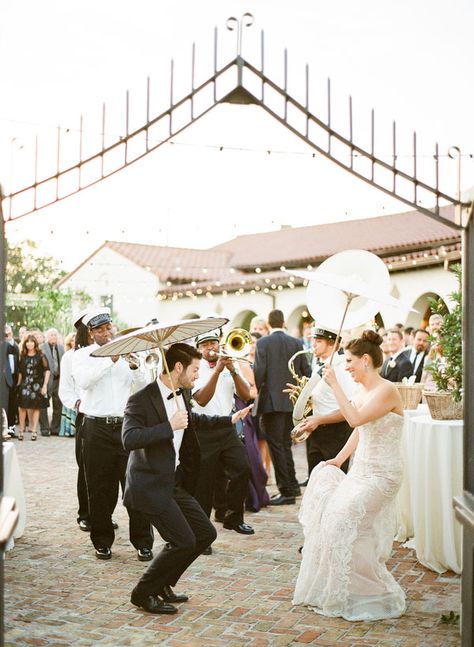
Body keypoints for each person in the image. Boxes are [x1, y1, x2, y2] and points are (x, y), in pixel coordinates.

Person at [122, 342, 252, 615]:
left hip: (174, 482)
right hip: (149, 484)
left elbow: (194, 421)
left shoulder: (182, 392)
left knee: (205, 533)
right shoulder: (141, 399)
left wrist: (228, 420)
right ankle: (143, 593)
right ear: (178, 367)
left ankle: (164, 584)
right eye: (194, 369)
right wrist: (167, 427)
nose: (197, 374)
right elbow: (129, 439)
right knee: (182, 541)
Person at [293, 330, 406, 621]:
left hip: (383, 474)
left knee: (349, 520)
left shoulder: (387, 390)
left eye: (350, 362)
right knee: (338, 520)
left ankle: (373, 589)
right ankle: (358, 591)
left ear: (366, 360)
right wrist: (339, 459)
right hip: (361, 470)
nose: (347, 367)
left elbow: (353, 418)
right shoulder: (361, 390)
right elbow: (360, 429)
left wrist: (334, 384)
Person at [72, 307, 153, 561]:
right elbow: (84, 382)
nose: (107, 333)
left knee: (135, 485)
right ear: (91, 333)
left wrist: (134, 365)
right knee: (99, 488)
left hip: (125, 426)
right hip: (95, 428)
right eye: (101, 330)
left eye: (109, 328)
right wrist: (112, 359)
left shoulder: (127, 350)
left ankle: (142, 541)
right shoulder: (83, 355)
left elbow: (143, 384)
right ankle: (102, 540)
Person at [192, 330, 254, 539]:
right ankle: (202, 532)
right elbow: (201, 399)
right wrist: (217, 372)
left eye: (214, 343)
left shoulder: (230, 364)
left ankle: (234, 518)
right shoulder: (196, 368)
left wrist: (233, 371)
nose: (211, 348)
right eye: (205, 344)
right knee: (203, 484)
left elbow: (246, 395)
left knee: (242, 468)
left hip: (227, 427)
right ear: (199, 348)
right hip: (204, 430)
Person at [254, 309, 311, 505]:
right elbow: (306, 371)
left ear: (269, 324)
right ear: (284, 322)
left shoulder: (262, 343)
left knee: (276, 446)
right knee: (286, 445)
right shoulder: (296, 342)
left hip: (271, 403)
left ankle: (286, 490)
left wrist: (257, 389)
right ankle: (292, 486)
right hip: (292, 402)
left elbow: (259, 373)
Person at [286, 327, 354, 479]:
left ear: (332, 344)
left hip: (336, 433)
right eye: (313, 340)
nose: (313, 344)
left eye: (318, 341)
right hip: (316, 430)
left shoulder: (342, 367)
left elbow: (350, 407)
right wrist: (301, 395)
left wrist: (320, 420)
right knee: (315, 481)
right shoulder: (319, 364)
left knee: (333, 481)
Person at [17, 333, 50, 441]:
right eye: (28, 342)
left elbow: (47, 370)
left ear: (35, 343)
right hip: (25, 385)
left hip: (37, 386)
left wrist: (45, 386)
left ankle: (34, 431)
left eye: (32, 342)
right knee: (22, 407)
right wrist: (18, 385)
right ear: (25, 343)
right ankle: (21, 431)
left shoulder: (41, 355)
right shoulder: (22, 356)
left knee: (36, 407)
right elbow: (20, 372)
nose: (29, 344)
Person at [40, 328, 65, 436]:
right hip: (46, 380)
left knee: (58, 405)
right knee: (43, 405)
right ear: (47, 337)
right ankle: (45, 429)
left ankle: (55, 428)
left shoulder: (61, 348)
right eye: (51, 335)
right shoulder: (42, 348)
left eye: (55, 335)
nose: (53, 337)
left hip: (58, 380)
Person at [59, 332, 77, 437]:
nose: (75, 342)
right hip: (70, 383)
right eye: (73, 340)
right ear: (70, 342)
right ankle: (69, 430)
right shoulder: (68, 355)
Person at [3, 324, 20, 434]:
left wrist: (9, 338)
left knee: (12, 406)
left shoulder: (14, 345)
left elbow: (13, 348)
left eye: (8, 333)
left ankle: (11, 429)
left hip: (14, 379)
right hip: (3, 380)